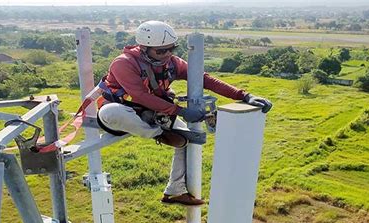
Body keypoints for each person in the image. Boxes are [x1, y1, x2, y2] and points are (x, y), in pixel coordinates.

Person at [95, 21, 272, 206]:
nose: (167, 54)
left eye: (171, 49)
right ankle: (160, 135)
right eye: (161, 51)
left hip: (154, 114)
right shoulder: (124, 63)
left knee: (188, 138)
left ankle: (174, 191)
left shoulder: (171, 64)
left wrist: (243, 95)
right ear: (144, 48)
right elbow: (139, 95)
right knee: (110, 111)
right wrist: (179, 111)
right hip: (122, 115)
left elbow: (204, 79)